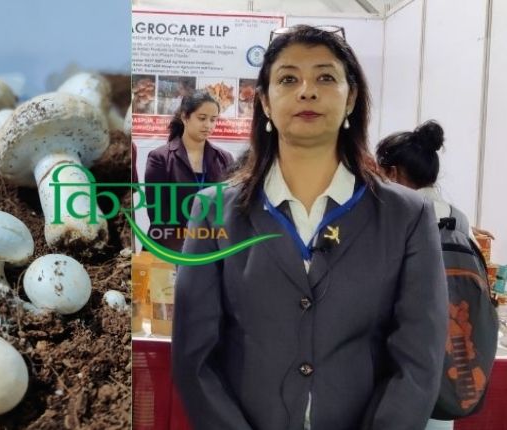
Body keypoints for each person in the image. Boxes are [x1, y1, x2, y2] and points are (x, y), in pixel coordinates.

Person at [171, 25, 448, 430]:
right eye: (287, 79)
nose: (307, 91)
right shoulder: (213, 210)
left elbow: (418, 360)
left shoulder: (406, 216)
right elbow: (194, 358)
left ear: (350, 96)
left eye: (325, 77)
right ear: (264, 101)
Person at [376, 120, 472, 430]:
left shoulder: (392, 213)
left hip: (394, 348)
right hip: (447, 347)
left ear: (391, 172)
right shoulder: (458, 217)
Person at [144, 90, 234, 252]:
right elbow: (158, 215)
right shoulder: (160, 158)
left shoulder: (224, 159)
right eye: (202, 118)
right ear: (185, 117)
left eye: (213, 120)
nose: (208, 125)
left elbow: (228, 210)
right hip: (168, 250)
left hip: (210, 250)